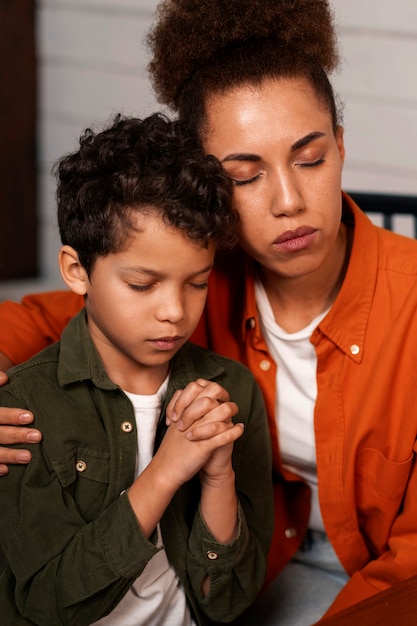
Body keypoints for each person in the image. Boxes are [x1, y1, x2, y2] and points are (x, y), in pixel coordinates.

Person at [0, 0, 416, 623]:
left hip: (379, 583)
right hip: (253, 566)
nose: (288, 200)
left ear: (341, 147)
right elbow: (50, 317)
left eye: (310, 158)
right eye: (244, 175)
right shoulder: (196, 283)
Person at [0, 112, 273, 625]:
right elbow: (47, 603)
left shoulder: (230, 390)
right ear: (76, 271)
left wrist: (217, 475)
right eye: (143, 284)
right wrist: (166, 472)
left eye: (196, 283)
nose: (174, 310)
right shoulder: (21, 410)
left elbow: (229, 601)